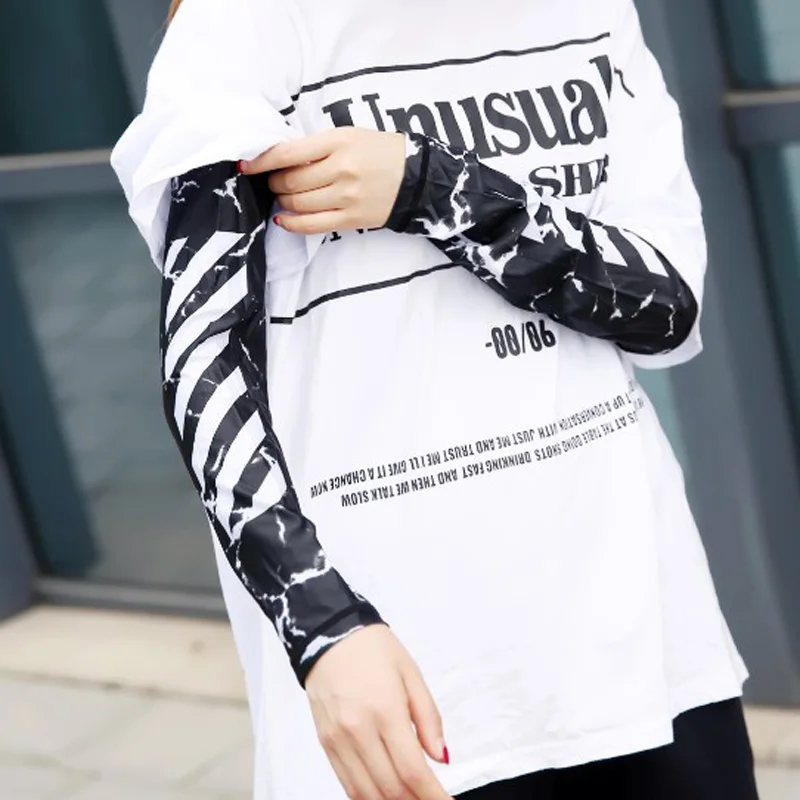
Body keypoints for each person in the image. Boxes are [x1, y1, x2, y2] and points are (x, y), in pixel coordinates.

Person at [111, 0, 758, 798]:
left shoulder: (591, 12)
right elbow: (207, 365)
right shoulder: (249, 22)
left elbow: (666, 306)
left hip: (644, 632)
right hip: (409, 665)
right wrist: (324, 628)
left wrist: (434, 187)